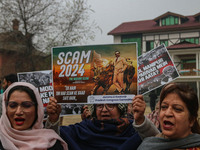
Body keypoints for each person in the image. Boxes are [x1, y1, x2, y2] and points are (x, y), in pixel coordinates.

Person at [46, 95, 159, 150]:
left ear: (120, 109)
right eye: (99, 106)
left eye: (110, 105)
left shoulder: (133, 129)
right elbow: (52, 139)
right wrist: (53, 120)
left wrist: (140, 120)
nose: (104, 110)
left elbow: (156, 140)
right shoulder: (82, 129)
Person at [0, 82, 68, 150]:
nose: (18, 112)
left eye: (26, 105)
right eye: (12, 105)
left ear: (37, 110)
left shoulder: (51, 143)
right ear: (5, 108)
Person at [137, 82, 200, 150]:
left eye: (177, 109)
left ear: (191, 120)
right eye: (164, 107)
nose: (167, 113)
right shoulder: (148, 145)